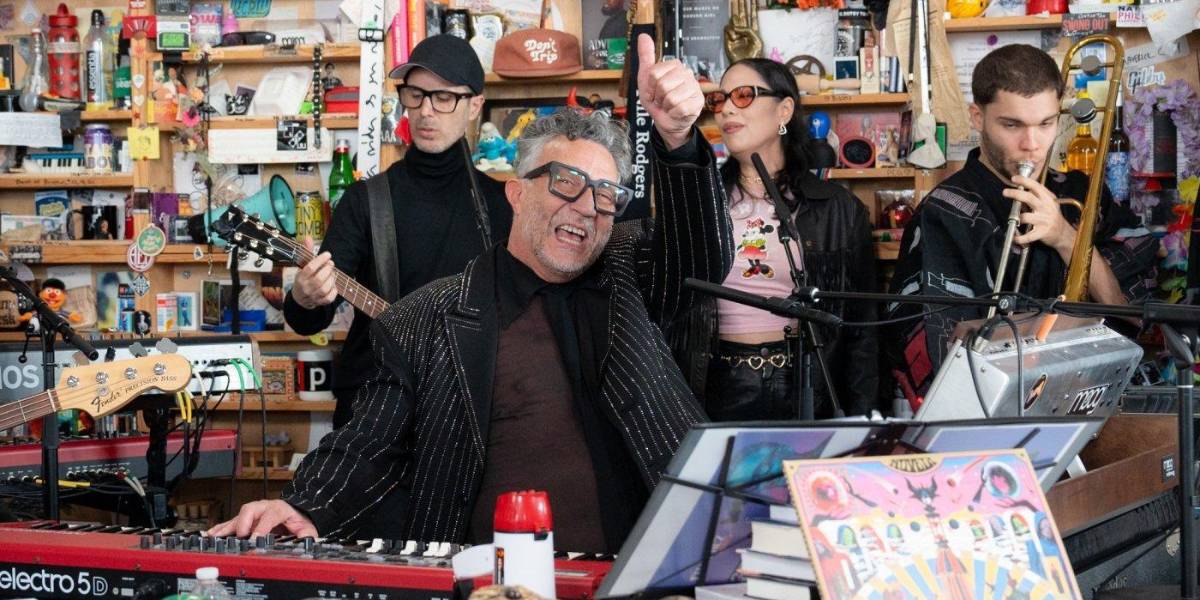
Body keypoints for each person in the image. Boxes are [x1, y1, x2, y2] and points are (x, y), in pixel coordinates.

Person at [211, 34, 733, 553]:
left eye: (605, 195)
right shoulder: (423, 318)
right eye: (566, 183)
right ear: (517, 192)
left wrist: (681, 140)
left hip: (649, 565)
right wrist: (302, 504)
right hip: (491, 577)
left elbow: (703, 259)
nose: (586, 206)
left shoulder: (625, 272)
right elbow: (369, 440)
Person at [885, 44, 1158, 404]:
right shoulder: (945, 210)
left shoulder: (1082, 192)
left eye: (1045, 124)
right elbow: (939, 356)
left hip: (1093, 407)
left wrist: (1064, 236)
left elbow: (1135, 320)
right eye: (1012, 125)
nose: (1031, 144)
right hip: (991, 416)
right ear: (978, 117)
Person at [285, 34, 513, 431]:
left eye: (443, 98)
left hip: (468, 409)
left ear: (475, 105)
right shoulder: (365, 201)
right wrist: (305, 298)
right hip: (373, 408)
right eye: (415, 94)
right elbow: (309, 319)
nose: (426, 111)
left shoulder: (504, 203)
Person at [668, 57, 879, 420]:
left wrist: (863, 417)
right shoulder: (703, 199)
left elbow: (864, 329)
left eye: (745, 95)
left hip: (806, 385)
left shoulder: (837, 208)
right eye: (719, 100)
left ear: (784, 110)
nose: (727, 109)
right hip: (716, 386)